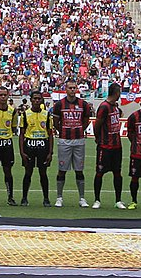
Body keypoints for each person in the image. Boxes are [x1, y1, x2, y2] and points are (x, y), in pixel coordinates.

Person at [50, 77, 92, 208]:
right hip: (64, 141)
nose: (72, 90)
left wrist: (79, 129)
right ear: (66, 89)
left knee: (79, 170)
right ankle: (59, 197)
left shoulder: (83, 104)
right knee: (62, 169)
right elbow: (56, 122)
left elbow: (86, 121)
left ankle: (82, 198)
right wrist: (63, 131)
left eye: (74, 88)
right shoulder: (59, 105)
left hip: (79, 140)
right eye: (70, 88)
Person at [91, 82, 125, 210]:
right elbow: (97, 124)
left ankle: (118, 200)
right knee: (100, 172)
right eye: (119, 92)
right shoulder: (104, 107)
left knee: (117, 173)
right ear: (116, 93)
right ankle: (97, 200)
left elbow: (119, 116)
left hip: (117, 146)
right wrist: (98, 138)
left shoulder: (115, 106)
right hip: (105, 146)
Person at [18, 89, 53, 207]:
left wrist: (50, 152)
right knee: (28, 172)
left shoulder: (46, 114)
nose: (37, 101)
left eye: (39, 99)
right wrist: (22, 152)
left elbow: (50, 134)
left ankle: (46, 199)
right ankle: (24, 198)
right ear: (31, 100)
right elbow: (21, 134)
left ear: (41, 100)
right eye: (35, 99)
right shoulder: (25, 114)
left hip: (43, 145)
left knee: (43, 173)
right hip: (29, 146)